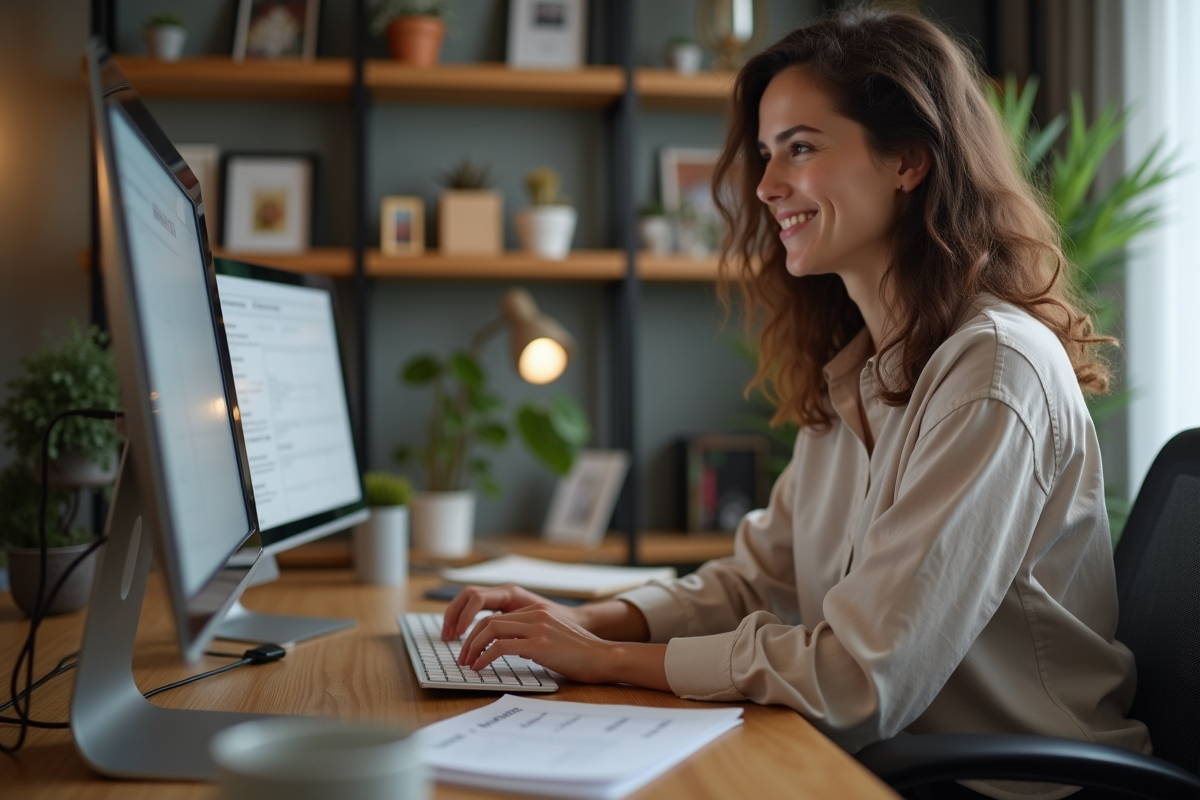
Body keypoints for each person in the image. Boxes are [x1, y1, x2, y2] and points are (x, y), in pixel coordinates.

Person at [442, 8, 1149, 799]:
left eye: (801, 148)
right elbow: (760, 582)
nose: (768, 185)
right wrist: (586, 619)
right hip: (883, 761)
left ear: (908, 159)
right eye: (768, 154)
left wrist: (605, 661)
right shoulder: (862, 370)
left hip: (1006, 785)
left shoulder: (993, 370)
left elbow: (860, 678)